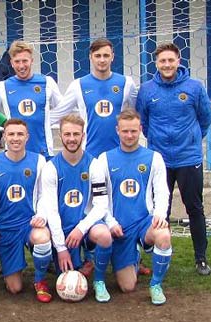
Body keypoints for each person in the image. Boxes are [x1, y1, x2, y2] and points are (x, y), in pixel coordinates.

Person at [52, 38, 140, 277]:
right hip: (90, 157)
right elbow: (59, 114)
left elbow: (135, 113)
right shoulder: (79, 85)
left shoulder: (126, 83)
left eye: (106, 55)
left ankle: (131, 255)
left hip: (121, 157)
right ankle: (90, 256)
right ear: (90, 58)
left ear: (113, 57)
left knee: (123, 205)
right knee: (90, 206)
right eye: (97, 56)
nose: (102, 60)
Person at [136, 42, 211, 276]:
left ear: (178, 61)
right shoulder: (147, 90)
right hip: (159, 161)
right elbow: (143, 122)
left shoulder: (194, 87)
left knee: (195, 208)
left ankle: (200, 258)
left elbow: (205, 118)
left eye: (170, 60)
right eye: (162, 61)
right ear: (156, 64)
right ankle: (160, 257)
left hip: (189, 158)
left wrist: (190, 139)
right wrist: (157, 141)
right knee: (160, 211)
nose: (166, 65)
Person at [98, 109, 171, 305]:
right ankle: (133, 255)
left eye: (133, 131)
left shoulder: (154, 157)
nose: (129, 135)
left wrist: (160, 214)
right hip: (118, 227)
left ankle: (156, 285)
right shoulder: (104, 159)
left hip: (143, 222)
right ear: (117, 131)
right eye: (125, 131)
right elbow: (99, 198)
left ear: (140, 129)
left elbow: (162, 191)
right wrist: (110, 222)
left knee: (163, 235)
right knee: (127, 287)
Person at [41, 114, 112, 302]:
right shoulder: (50, 168)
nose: (71, 139)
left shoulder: (94, 165)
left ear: (83, 135)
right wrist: (61, 247)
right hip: (62, 227)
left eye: (75, 134)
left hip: (85, 224)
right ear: (60, 136)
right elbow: (51, 210)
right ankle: (79, 259)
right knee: (67, 272)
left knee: (104, 235)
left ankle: (99, 281)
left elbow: (101, 205)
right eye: (67, 134)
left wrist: (81, 229)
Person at [0, 119, 53, 303]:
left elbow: (44, 195)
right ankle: (12, 266)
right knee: (15, 288)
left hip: (29, 224)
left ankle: (40, 280)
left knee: (42, 237)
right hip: (5, 227)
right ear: (5, 137)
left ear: (27, 137)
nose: (16, 138)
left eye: (20, 134)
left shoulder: (39, 161)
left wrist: (41, 215)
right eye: (11, 134)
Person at [0, 40, 62, 160]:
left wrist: (47, 119)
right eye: (17, 61)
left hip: (43, 153)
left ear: (32, 60)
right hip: (12, 156)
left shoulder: (47, 82)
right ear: (11, 63)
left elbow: (63, 109)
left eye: (25, 61)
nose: (21, 66)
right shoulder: (3, 87)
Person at [0, 45, 16, 149]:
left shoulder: (5, 60)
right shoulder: (6, 61)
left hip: (10, 92)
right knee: (7, 117)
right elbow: (0, 77)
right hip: (8, 93)